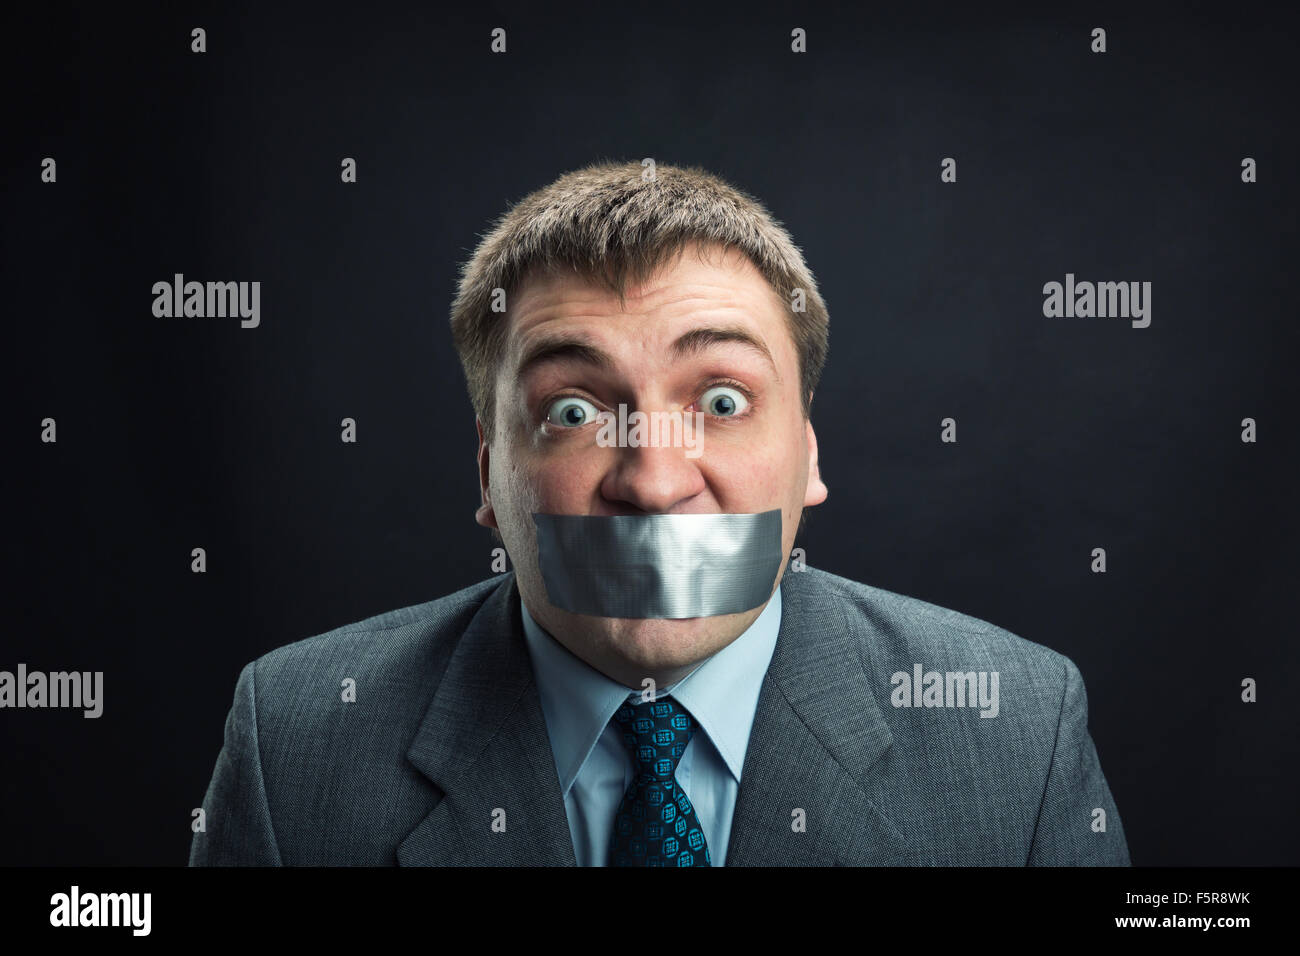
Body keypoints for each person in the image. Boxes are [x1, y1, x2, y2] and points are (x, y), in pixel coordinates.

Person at [190, 161, 1130, 866]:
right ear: (488, 475)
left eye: (721, 402)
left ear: (807, 454)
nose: (653, 482)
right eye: (573, 412)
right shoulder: (295, 744)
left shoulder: (1015, 733)